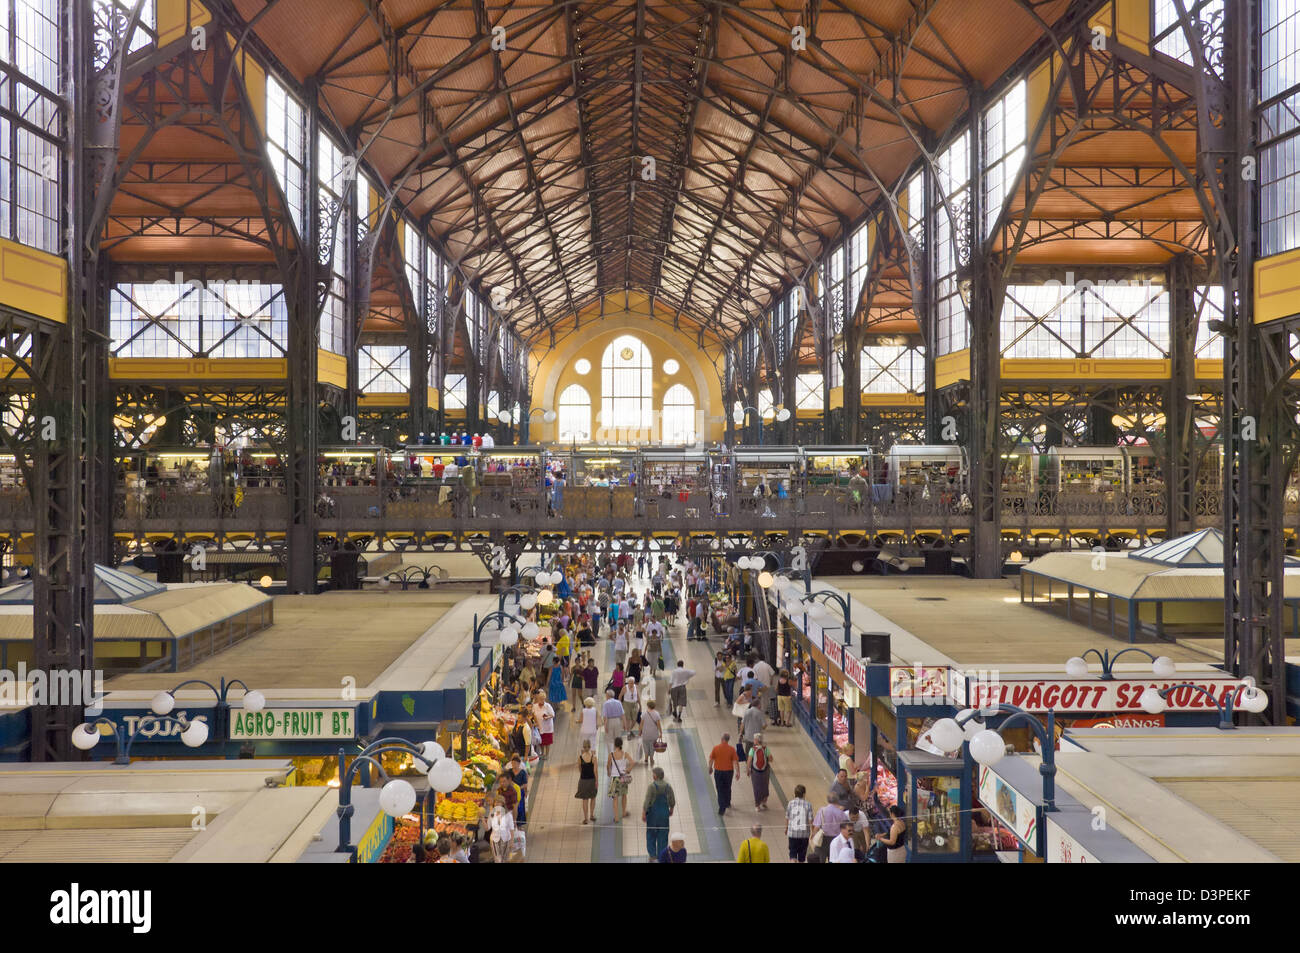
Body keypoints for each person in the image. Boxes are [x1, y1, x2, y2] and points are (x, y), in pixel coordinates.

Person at [641, 766, 676, 862]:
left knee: (651, 835)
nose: (653, 776)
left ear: (655, 776)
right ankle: (661, 856)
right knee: (663, 835)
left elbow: (647, 801)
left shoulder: (652, 787)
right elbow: (672, 799)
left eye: (653, 774)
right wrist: (671, 808)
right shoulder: (668, 786)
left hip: (653, 815)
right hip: (664, 814)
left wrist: (644, 812)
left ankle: (652, 856)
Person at [708, 731, 739, 816]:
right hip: (729, 772)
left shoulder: (716, 748)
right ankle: (727, 802)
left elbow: (711, 759)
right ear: (728, 740)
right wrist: (738, 772)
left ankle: (722, 807)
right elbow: (735, 761)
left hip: (719, 772)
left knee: (720, 789)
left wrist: (710, 768)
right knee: (727, 787)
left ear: (722, 739)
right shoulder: (732, 749)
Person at [813, 796, 849, 863]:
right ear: (837, 801)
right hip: (836, 840)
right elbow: (847, 828)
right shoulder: (841, 813)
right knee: (834, 860)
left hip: (823, 839)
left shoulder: (822, 810)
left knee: (820, 860)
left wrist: (813, 835)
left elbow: (816, 827)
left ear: (828, 800)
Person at [784, 784, 813, 863]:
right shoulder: (808, 804)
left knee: (792, 854)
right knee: (802, 856)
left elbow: (787, 817)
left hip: (792, 833)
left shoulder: (790, 803)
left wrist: (786, 828)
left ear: (795, 794)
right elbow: (810, 820)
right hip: (804, 835)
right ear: (804, 794)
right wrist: (813, 831)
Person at [606, 736, 632, 822]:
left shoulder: (611, 754)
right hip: (623, 778)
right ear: (621, 744)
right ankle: (624, 812)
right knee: (624, 795)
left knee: (615, 798)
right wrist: (628, 770)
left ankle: (616, 817)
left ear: (615, 745)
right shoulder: (625, 754)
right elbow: (632, 762)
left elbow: (608, 765)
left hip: (615, 779)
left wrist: (609, 772)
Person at [746, 731, 772, 810]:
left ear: (757, 740)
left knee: (756, 787)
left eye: (754, 739)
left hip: (755, 772)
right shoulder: (766, 749)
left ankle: (757, 805)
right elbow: (771, 759)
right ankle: (764, 802)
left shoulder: (752, 749)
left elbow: (749, 761)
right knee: (765, 786)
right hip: (765, 771)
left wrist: (748, 769)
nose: (754, 740)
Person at [574, 738, 598, 824]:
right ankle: (592, 815)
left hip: (583, 780)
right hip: (591, 780)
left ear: (583, 747)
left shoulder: (580, 758)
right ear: (590, 747)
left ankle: (585, 818)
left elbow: (580, 769)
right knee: (593, 797)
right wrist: (597, 781)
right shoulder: (593, 758)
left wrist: (583, 775)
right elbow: (595, 771)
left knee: (584, 799)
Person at [507, 753, 529, 828]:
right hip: (511, 792)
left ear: (519, 764)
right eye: (512, 763)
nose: (514, 765)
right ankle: (512, 824)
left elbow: (525, 784)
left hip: (519, 792)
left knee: (520, 808)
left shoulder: (522, 772)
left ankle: (519, 825)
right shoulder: (509, 772)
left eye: (515, 763)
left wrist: (519, 788)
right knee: (511, 808)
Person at [531, 692, 556, 759]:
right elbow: (533, 714)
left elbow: (553, 714)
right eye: (540, 699)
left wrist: (547, 717)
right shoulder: (535, 706)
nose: (541, 701)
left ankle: (547, 754)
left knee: (547, 742)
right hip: (539, 726)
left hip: (547, 727)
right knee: (541, 741)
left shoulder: (548, 706)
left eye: (543, 699)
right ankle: (542, 752)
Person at [640, 699, 663, 767]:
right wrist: (661, 733)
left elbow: (641, 724)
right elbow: (658, 724)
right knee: (652, 747)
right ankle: (651, 759)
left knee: (646, 746)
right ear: (654, 706)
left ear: (647, 706)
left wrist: (639, 731)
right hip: (653, 734)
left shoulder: (644, 713)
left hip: (645, 734)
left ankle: (646, 759)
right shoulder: (656, 714)